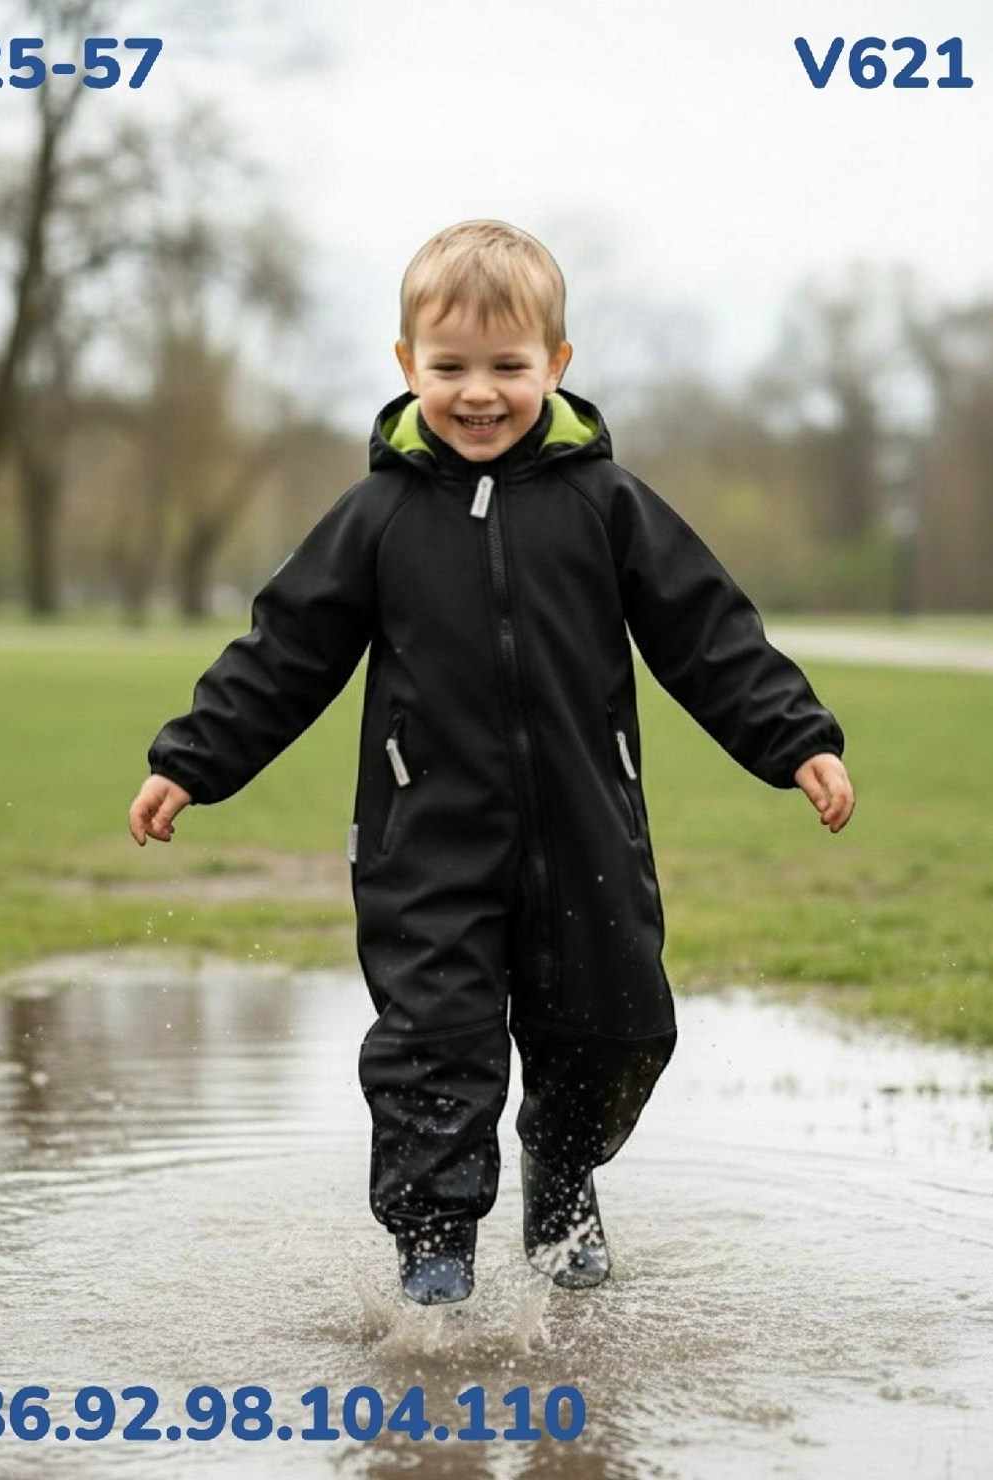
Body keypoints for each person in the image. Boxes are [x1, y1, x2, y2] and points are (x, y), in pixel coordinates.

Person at [128, 219, 855, 1307]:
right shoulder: (374, 518)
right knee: (434, 1043)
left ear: (556, 368)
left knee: (617, 1028)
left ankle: (561, 1178)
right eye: (449, 367)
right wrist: (192, 758)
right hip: (427, 846)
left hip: (587, 830)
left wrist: (794, 735)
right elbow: (283, 652)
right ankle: (433, 1246)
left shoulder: (609, 506)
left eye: (507, 367)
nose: (478, 392)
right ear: (406, 366)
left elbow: (708, 632)